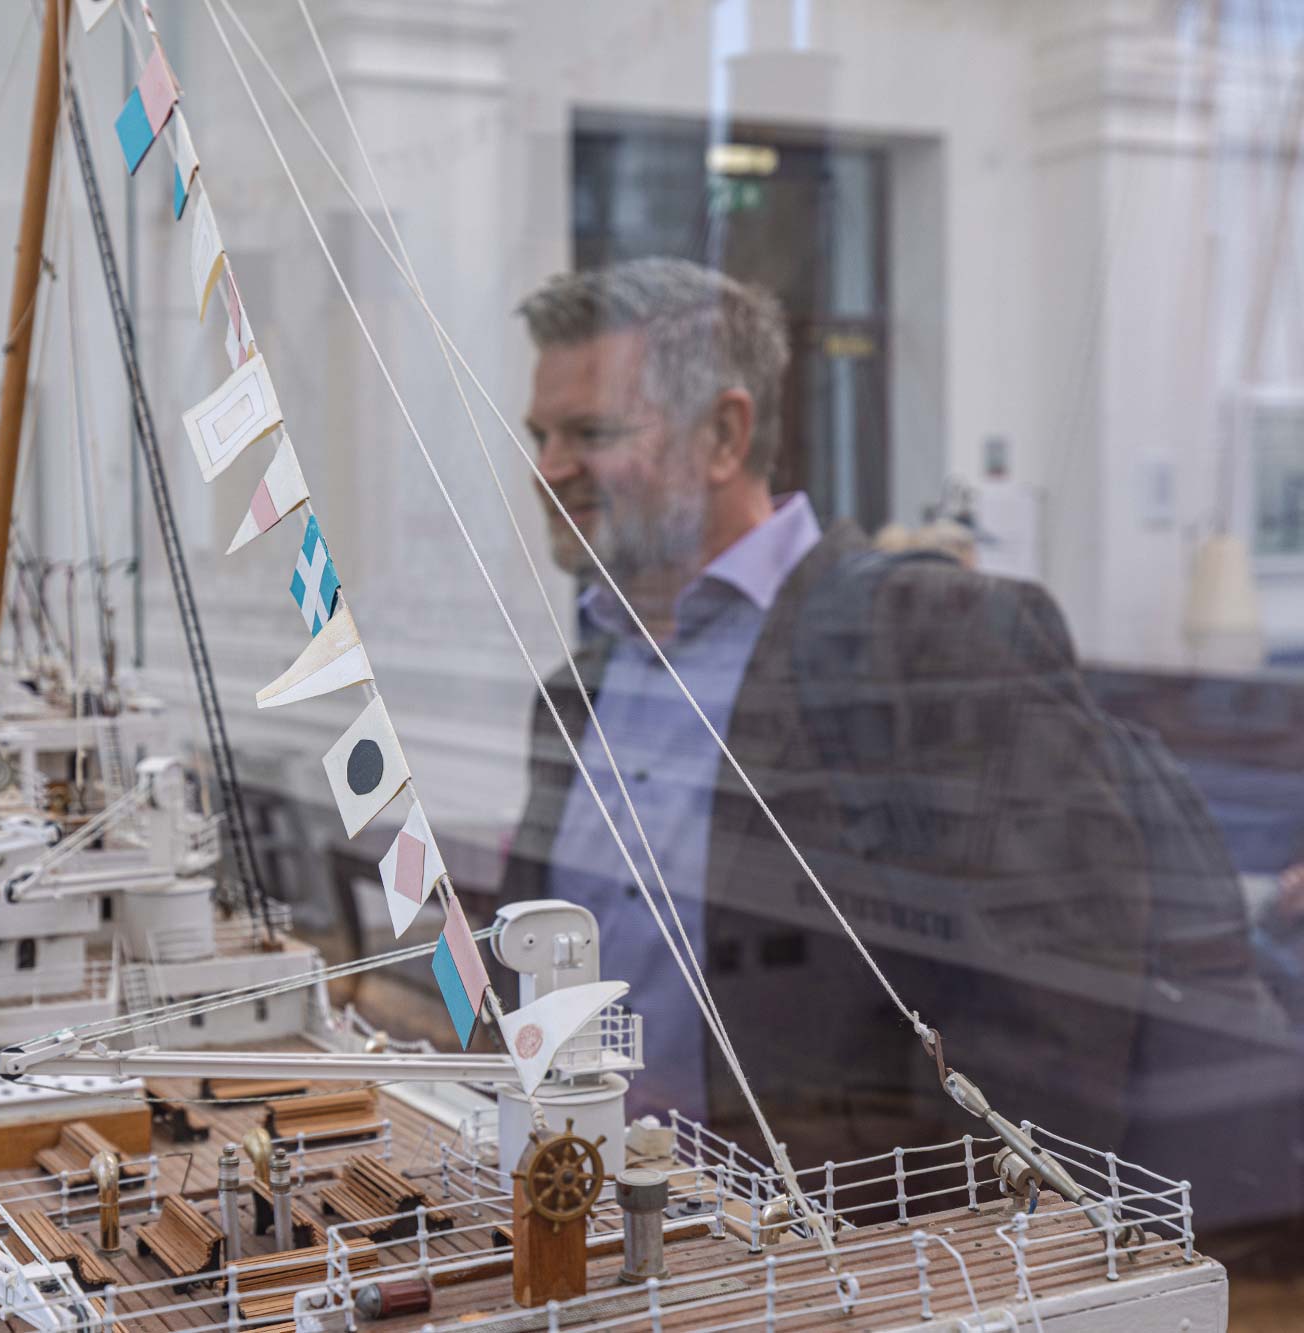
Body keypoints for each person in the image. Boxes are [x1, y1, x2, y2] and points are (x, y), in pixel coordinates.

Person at [497, 258, 1292, 1201]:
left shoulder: (934, 640)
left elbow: (1058, 1026)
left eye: (591, 432)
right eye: (541, 434)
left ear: (724, 434)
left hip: (829, 1265)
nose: (549, 467)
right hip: (600, 1223)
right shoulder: (571, 691)